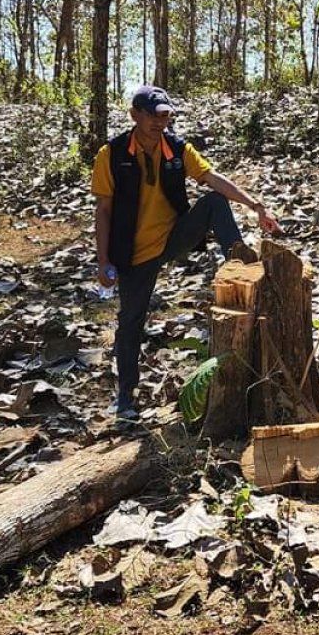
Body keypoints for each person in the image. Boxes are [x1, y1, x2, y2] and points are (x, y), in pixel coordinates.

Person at [91, 84, 280, 420]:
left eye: (164, 115)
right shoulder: (113, 154)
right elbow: (103, 210)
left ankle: (236, 264)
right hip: (133, 253)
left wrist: (255, 205)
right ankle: (124, 398)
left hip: (173, 237)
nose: (159, 121)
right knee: (130, 323)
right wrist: (104, 260)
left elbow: (212, 178)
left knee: (214, 203)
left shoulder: (176, 149)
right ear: (135, 114)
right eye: (152, 114)